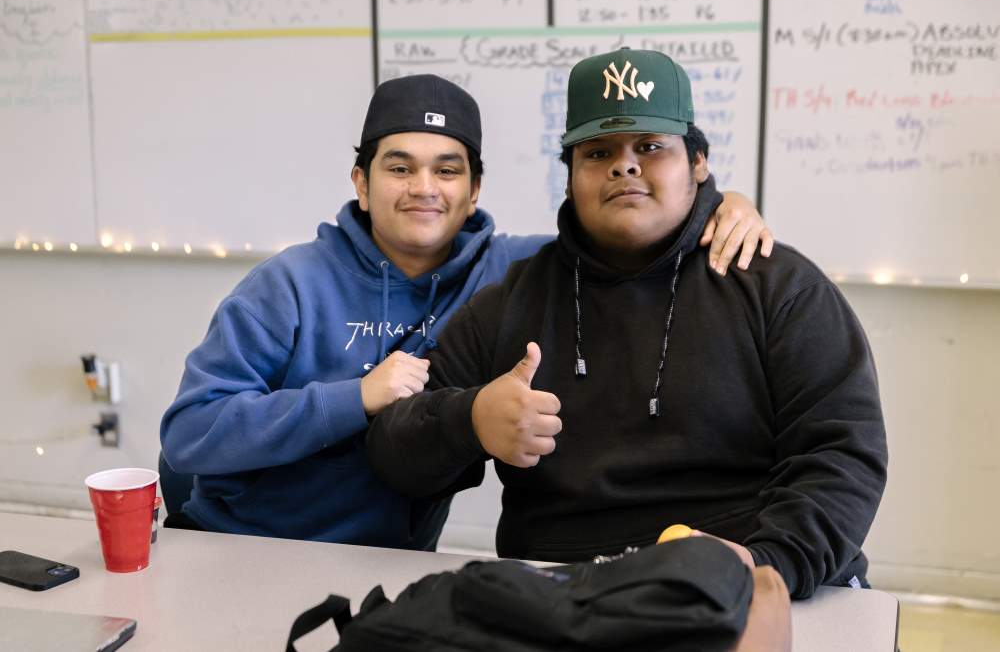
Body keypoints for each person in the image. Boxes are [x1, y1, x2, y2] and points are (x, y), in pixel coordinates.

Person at [160, 73, 773, 549]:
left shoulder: (513, 273)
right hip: (242, 547)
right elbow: (188, 436)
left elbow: (627, 236)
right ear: (361, 181)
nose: (424, 187)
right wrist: (357, 397)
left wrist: (721, 204)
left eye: (447, 170)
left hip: (390, 562)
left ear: (474, 188)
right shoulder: (287, 285)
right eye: (399, 167)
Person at [366, 48, 888, 599]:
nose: (625, 165)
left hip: (750, 585)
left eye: (650, 146)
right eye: (598, 151)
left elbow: (842, 455)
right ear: (569, 175)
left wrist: (768, 565)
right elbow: (393, 454)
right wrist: (468, 418)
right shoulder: (513, 301)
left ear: (699, 161)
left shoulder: (778, 286)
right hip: (565, 597)